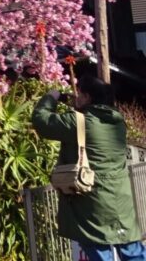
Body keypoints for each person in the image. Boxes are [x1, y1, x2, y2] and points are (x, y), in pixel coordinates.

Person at [32, 74, 146, 261]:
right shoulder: (117, 122)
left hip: (92, 202)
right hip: (120, 200)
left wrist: (51, 97)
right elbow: (90, 122)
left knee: (100, 251)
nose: (76, 96)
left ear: (87, 98)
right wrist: (75, 106)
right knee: (131, 249)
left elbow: (42, 121)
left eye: (80, 94)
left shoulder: (78, 122)